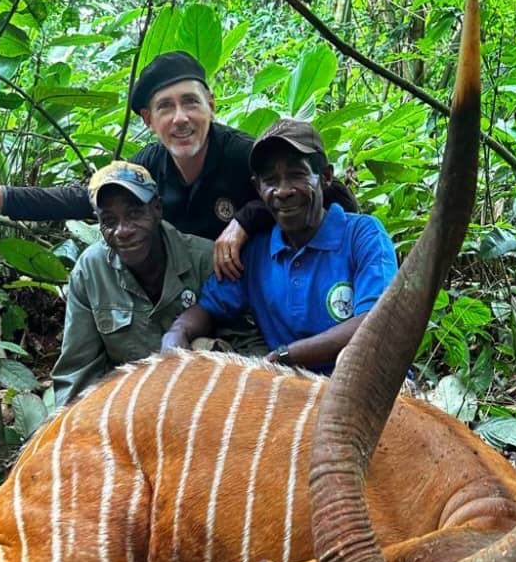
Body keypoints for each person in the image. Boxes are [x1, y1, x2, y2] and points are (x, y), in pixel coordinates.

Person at [0, 52, 358, 280]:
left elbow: (323, 193)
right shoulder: (148, 167)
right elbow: (86, 198)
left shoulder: (244, 154)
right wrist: (4, 196)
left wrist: (245, 220)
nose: (181, 118)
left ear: (211, 106)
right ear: (149, 120)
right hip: (185, 295)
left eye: (191, 102)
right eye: (166, 107)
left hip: (261, 285)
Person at [161, 119, 398, 375]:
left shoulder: (362, 234)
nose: (282, 191)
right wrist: (177, 332)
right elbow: (208, 308)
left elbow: (374, 323)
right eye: (270, 180)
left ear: (325, 177)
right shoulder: (256, 251)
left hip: (361, 383)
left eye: (297, 175)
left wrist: (285, 356)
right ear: (258, 187)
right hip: (291, 389)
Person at [50, 160, 264, 407]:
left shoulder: (206, 260)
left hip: (208, 401)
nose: (123, 230)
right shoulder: (91, 271)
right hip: (131, 404)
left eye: (134, 214)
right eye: (109, 220)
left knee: (201, 347)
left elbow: (250, 346)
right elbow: (77, 369)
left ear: (157, 209)